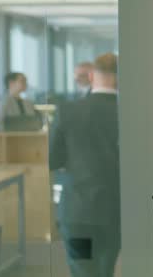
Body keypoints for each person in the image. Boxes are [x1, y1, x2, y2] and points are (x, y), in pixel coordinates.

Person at [49, 53, 120, 277]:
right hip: (114, 210)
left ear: (91, 76)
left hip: (77, 210)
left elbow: (54, 159)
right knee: (105, 269)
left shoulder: (67, 110)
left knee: (82, 270)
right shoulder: (130, 112)